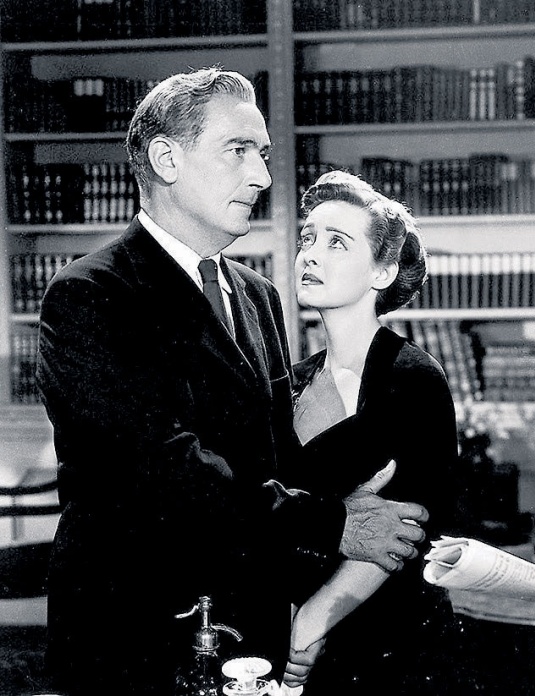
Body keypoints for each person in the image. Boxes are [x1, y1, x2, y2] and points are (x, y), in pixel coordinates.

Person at [36, 68, 428, 695]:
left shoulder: (258, 294)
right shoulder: (90, 293)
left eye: (263, 155)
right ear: (166, 159)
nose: (263, 177)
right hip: (136, 633)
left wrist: (345, 496)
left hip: (249, 624)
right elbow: (159, 468)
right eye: (238, 150)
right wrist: (333, 522)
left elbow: (270, 456)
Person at [278, 170, 464, 695]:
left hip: (390, 643)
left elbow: (403, 527)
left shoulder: (413, 377)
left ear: (382, 271)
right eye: (308, 239)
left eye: (336, 242)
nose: (310, 255)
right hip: (294, 635)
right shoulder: (290, 381)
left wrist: (309, 623)